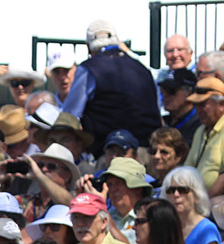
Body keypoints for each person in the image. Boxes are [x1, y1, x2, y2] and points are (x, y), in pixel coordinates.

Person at [61, 19, 162, 157]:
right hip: (147, 154)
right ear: (117, 40)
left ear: (89, 47)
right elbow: (156, 109)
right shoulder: (143, 69)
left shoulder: (88, 69)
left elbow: (69, 116)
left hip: (111, 156)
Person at [163, 167, 222, 244]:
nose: (176, 195)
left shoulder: (206, 230)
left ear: (196, 195)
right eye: (171, 190)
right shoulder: (166, 228)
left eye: (183, 190)